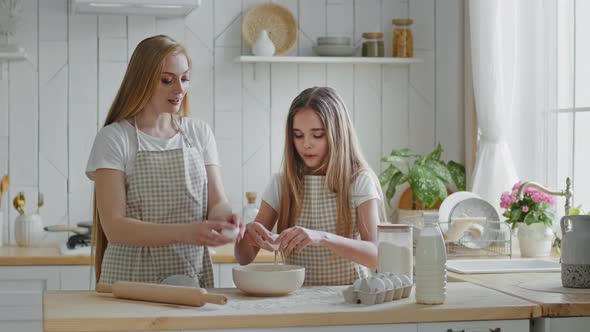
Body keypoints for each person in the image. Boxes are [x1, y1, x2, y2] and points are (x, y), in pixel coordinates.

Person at [86, 35, 243, 288]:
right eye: (167, 80)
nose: (179, 89)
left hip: (189, 277)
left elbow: (217, 203)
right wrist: (187, 232)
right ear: (142, 81)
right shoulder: (115, 138)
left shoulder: (199, 133)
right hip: (129, 282)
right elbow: (115, 228)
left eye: (184, 78)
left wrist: (227, 218)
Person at [235, 87, 385, 285]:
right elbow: (244, 258)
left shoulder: (358, 181)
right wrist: (247, 235)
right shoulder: (281, 184)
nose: (306, 144)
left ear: (337, 135)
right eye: (298, 135)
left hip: (349, 300)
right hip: (297, 300)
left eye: (317, 135)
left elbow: (375, 256)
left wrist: (322, 237)